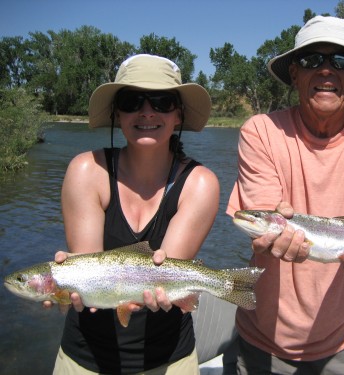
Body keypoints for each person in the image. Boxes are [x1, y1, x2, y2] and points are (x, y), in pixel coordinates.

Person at [226, 16, 344, 374]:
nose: (326, 70)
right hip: (264, 337)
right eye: (312, 60)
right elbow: (261, 220)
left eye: (340, 60)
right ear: (294, 73)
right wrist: (268, 228)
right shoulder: (260, 131)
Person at [50, 54, 220, 374]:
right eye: (131, 101)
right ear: (117, 112)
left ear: (179, 115)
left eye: (162, 101)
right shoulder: (87, 170)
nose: (146, 111)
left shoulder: (200, 183)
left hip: (169, 358)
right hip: (85, 358)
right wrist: (64, 285)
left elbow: (165, 277)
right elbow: (93, 276)